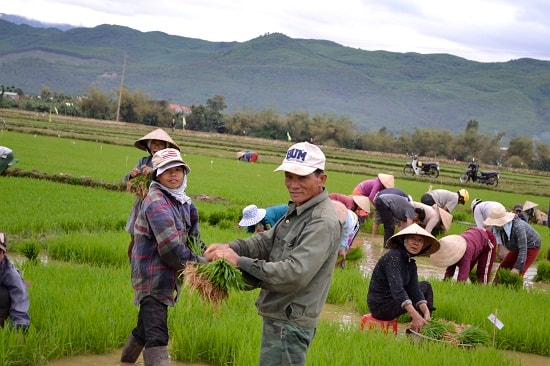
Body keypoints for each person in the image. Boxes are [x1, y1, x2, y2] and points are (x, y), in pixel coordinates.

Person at [204, 141, 341, 366]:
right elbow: (265, 242)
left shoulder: (321, 221)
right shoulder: (298, 210)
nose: (293, 184)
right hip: (281, 317)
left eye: (302, 177)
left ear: (321, 179)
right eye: (289, 176)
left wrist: (239, 261)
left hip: (290, 322)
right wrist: (230, 247)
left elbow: (294, 273)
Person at [121, 148, 203, 366]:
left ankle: (124, 362)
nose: (174, 175)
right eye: (168, 171)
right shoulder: (156, 201)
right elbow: (170, 249)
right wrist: (201, 265)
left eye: (178, 170)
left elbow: (195, 240)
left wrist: (211, 259)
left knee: (143, 329)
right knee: (157, 336)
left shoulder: (185, 202)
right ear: (157, 174)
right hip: (151, 277)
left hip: (167, 277)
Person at [367, 224, 440, 333]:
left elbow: (415, 290)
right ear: (403, 240)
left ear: (423, 245)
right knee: (409, 293)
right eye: (412, 238)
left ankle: (421, 326)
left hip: (394, 302)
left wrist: (427, 312)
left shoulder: (411, 263)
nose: (416, 243)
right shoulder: (393, 257)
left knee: (425, 286)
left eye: (420, 240)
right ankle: (417, 325)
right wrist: (415, 315)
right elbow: (398, 290)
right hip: (381, 307)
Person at [123, 128, 180, 258]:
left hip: (160, 206)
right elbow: (126, 180)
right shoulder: (143, 161)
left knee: (157, 239)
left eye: (160, 144)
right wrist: (132, 175)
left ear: (166, 147)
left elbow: (171, 183)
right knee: (135, 239)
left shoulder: (169, 164)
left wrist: (153, 173)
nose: (156, 147)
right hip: (141, 205)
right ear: (149, 146)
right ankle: (133, 267)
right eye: (154, 144)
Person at [483, 206, 541, 280]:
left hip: (531, 246)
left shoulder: (518, 227)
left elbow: (523, 249)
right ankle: (494, 288)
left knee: (517, 275)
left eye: (496, 223)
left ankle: (515, 289)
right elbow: (487, 241)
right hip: (516, 247)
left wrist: (517, 268)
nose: (494, 225)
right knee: (502, 269)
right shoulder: (496, 228)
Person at [430, 227, 497, 284]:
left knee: (482, 273)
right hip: (473, 235)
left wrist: (457, 289)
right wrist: (445, 283)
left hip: (487, 239)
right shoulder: (453, 251)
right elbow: (449, 272)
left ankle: (482, 292)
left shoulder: (465, 255)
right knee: (467, 268)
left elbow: (462, 280)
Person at [0, 231, 30, 332]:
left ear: (4, 252)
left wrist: (20, 323)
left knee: (3, 294)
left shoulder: (9, 273)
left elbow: (20, 296)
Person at [332, 200, 360, 268]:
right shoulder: (323, 215)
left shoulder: (347, 222)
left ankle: (341, 267)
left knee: (343, 249)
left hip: (352, 225)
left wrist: (342, 250)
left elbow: (344, 237)